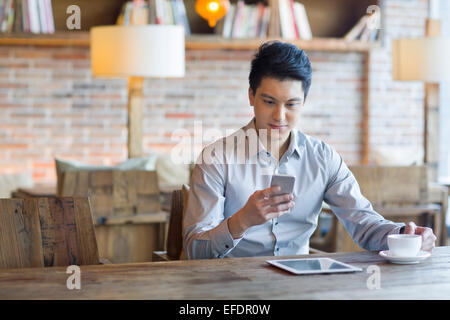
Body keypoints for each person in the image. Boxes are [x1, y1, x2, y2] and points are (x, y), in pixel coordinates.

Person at [183, 40, 437, 259]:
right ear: (251, 96)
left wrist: (404, 234)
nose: (279, 116)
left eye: (292, 104)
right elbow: (194, 250)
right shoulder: (216, 158)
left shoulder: (323, 158)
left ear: (305, 101)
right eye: (269, 101)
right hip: (228, 284)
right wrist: (243, 221)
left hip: (300, 284)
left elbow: (364, 224)